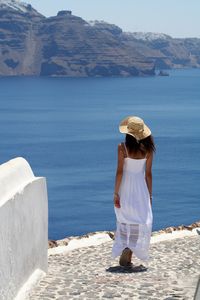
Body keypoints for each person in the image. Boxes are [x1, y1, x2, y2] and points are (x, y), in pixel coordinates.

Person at [112, 116, 156, 270]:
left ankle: (125, 247)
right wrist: (150, 195)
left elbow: (119, 172)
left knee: (125, 218)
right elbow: (148, 174)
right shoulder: (148, 150)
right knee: (139, 219)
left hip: (125, 188)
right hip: (141, 188)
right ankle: (129, 251)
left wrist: (116, 193)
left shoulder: (122, 148)